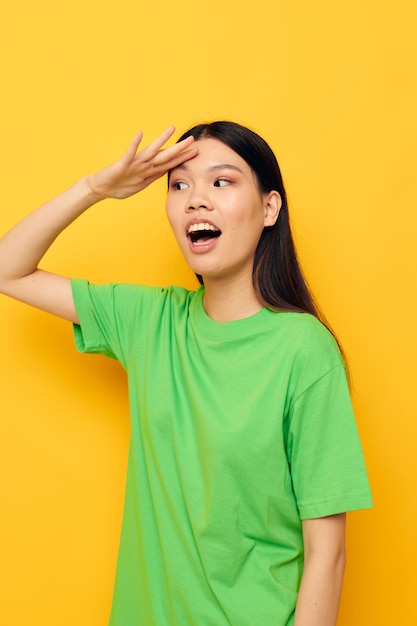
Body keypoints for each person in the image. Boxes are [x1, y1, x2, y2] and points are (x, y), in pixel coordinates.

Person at [0, 121, 372, 626]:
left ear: (269, 209)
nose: (196, 199)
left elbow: (327, 555)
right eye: (179, 185)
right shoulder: (150, 323)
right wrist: (95, 188)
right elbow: (8, 269)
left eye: (222, 182)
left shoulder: (304, 351)